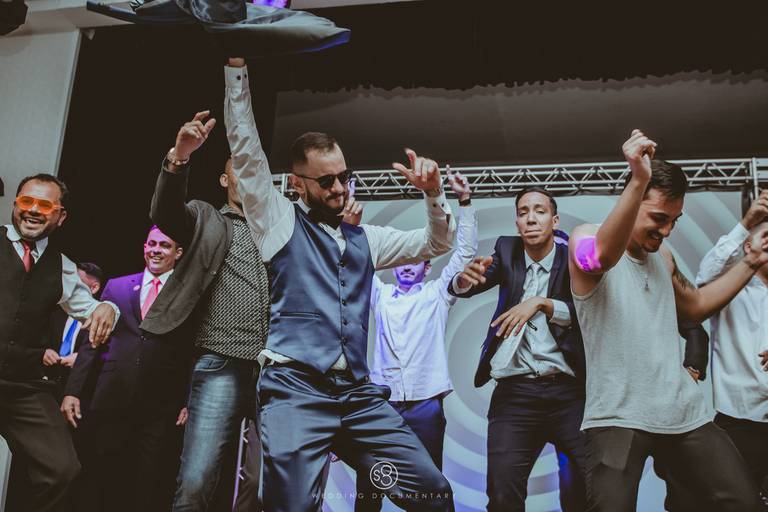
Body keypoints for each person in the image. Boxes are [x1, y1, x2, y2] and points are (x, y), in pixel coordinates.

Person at [224, 57, 455, 511]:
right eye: (326, 180)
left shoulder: (366, 239)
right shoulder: (278, 223)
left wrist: (432, 192)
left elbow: (436, 241)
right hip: (295, 390)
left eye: (344, 177)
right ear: (297, 183)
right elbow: (247, 149)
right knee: (291, 505)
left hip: (357, 397)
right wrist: (236, 70)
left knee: (433, 491)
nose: (339, 188)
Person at [564, 129, 766, 511]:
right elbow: (600, 259)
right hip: (618, 414)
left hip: (682, 412)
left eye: (675, 220)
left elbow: (695, 306)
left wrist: (752, 262)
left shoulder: (664, 256)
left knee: (745, 503)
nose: (667, 230)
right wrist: (639, 177)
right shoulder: (585, 237)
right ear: (633, 198)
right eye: (659, 218)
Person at [150, 111, 271, 512]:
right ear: (225, 180)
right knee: (198, 478)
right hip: (220, 362)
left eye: (257, 171)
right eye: (240, 169)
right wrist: (179, 156)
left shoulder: (282, 231)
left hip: (274, 369)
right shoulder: (207, 218)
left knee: (268, 478)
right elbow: (166, 212)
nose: (249, 177)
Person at [449, 187, 587, 511]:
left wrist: (541, 303)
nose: (531, 218)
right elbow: (473, 284)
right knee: (502, 494)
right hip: (515, 395)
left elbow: (588, 311)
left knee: (591, 483)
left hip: (569, 391)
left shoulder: (573, 258)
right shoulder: (507, 250)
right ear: (517, 223)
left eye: (539, 211)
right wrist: (464, 280)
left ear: (554, 220)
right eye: (523, 212)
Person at [352, 169, 477, 511]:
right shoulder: (380, 294)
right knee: (371, 484)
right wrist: (347, 220)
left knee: (429, 489)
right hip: (383, 402)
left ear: (426, 268)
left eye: (417, 262)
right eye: (403, 261)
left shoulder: (437, 294)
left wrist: (464, 203)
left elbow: (464, 253)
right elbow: (352, 259)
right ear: (393, 266)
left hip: (426, 402)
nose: (408, 266)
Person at [0, 173, 117, 512]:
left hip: (24, 387)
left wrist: (108, 307)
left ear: (60, 216)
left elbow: (91, 308)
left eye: (44, 205)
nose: (33, 211)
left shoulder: (63, 268)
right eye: (26, 202)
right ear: (15, 204)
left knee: (63, 470)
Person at [61, 226, 189, 512]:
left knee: (147, 482)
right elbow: (93, 342)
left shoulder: (186, 293)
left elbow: (190, 350)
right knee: (104, 476)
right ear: (144, 247)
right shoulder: (116, 286)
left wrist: (188, 399)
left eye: (165, 246)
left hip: (159, 403)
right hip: (111, 396)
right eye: (152, 244)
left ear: (178, 253)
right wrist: (73, 391)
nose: (156, 250)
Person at [694, 190, 768, 507]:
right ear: (747, 246)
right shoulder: (730, 291)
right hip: (739, 419)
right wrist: (746, 223)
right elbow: (704, 277)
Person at [47, 262, 104, 400]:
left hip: (83, 394)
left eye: (77, 282)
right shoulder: (55, 312)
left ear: (94, 287)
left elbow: (111, 356)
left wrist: (82, 359)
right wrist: (44, 351)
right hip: (48, 388)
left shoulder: (103, 319)